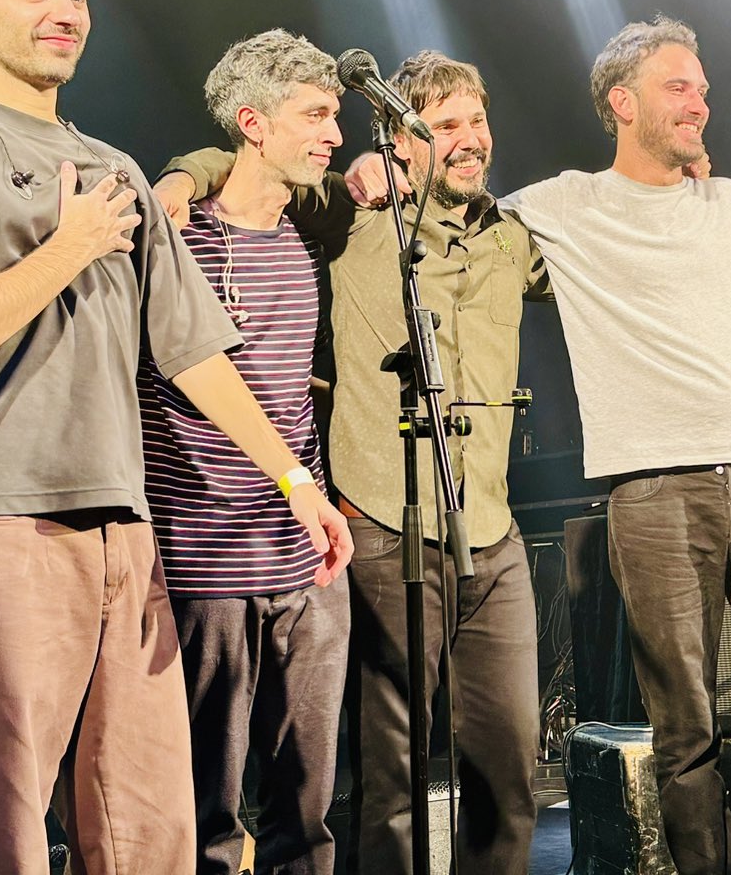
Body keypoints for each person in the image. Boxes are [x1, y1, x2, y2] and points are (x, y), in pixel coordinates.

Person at [0, 0, 349, 875]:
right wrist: (72, 246)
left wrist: (297, 485)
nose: (67, 11)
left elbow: (194, 353)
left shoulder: (117, 169)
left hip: (124, 542)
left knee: (150, 837)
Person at [456, 16, 731, 875]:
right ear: (622, 103)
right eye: (679, 86)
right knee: (682, 733)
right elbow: (452, 205)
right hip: (654, 491)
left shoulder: (728, 204)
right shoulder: (562, 204)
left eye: (702, 86)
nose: (701, 101)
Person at [156, 49, 549, 875]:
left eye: (478, 121)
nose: (470, 140)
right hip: (363, 522)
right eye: (445, 126)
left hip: (483, 527)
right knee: (372, 782)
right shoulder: (343, 217)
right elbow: (247, 165)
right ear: (401, 141)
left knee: (507, 774)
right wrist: (184, 177)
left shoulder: (513, 236)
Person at [138, 29, 352, 875]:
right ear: (253, 123)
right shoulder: (179, 235)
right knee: (205, 818)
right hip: (202, 559)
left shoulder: (313, 224)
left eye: (335, 114)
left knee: (307, 817)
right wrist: (183, 178)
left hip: (306, 562)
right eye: (316, 115)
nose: (334, 134)